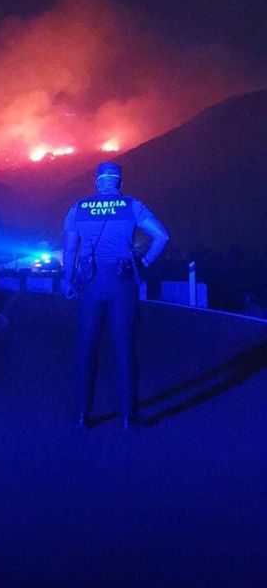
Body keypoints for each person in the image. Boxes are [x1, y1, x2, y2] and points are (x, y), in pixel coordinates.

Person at [62, 161, 169, 431]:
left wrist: (69, 280)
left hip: (90, 283)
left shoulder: (78, 208)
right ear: (120, 182)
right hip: (122, 283)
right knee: (124, 349)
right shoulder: (132, 205)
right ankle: (128, 418)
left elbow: (70, 250)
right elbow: (162, 236)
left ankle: (82, 416)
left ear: (97, 183)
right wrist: (144, 262)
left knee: (87, 348)